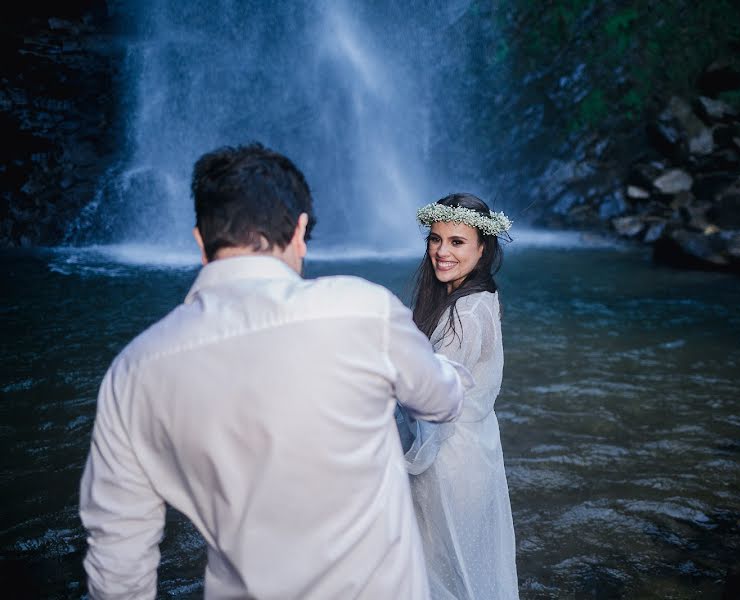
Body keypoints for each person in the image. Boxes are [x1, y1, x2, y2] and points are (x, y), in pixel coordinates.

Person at [78, 143, 470, 599]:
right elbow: (442, 402)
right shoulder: (360, 311)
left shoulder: (133, 371)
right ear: (300, 230)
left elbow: (118, 564)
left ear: (201, 242)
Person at [399, 192, 519, 599]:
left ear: (483, 249)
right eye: (435, 239)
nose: (441, 251)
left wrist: (401, 461)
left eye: (457, 242)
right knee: (460, 566)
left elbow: (433, 402)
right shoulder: (480, 296)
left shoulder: (465, 313)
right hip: (474, 448)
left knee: (438, 570)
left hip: (447, 457)